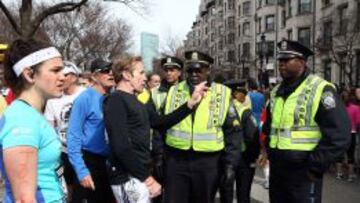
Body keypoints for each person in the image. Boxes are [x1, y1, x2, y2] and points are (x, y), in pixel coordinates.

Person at [103, 56, 207, 203]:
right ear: (126, 75)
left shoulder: (137, 99)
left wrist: (190, 104)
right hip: (127, 176)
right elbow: (121, 147)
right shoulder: (115, 101)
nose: (145, 78)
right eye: (141, 73)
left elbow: (160, 122)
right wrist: (148, 179)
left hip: (139, 174)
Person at [262, 39, 351, 203]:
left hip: (304, 171)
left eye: (287, 60)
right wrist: (269, 151)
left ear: (302, 61)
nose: (281, 64)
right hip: (278, 170)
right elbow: (270, 128)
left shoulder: (321, 89)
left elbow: (339, 135)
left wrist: (314, 166)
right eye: (280, 60)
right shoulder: (276, 92)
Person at [161, 50, 243, 203]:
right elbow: (162, 125)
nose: (194, 74)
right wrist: (160, 157)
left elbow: (234, 133)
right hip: (176, 161)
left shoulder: (223, 93)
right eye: (190, 70)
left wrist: (230, 164)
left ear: (208, 70)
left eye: (199, 70)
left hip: (208, 163)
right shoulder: (173, 91)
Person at [0, 39, 66, 202]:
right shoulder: (22, 121)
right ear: (29, 74)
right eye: (55, 70)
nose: (63, 77)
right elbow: (24, 199)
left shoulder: (32, 115)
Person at [67, 58, 115, 203]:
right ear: (94, 76)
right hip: (90, 163)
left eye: (111, 70)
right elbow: (73, 136)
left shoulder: (114, 98)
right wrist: (82, 171)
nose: (111, 74)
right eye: (106, 71)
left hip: (111, 164)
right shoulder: (84, 99)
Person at [44, 61, 85, 200]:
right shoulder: (52, 99)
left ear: (74, 77)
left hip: (84, 151)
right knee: (67, 189)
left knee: (84, 188)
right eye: (59, 74)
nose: (61, 78)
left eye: (65, 75)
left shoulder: (85, 94)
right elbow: (49, 127)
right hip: (63, 152)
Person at [221, 79, 260, 203]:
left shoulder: (220, 110)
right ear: (235, 94)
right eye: (242, 92)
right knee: (243, 193)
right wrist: (253, 157)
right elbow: (252, 137)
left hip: (225, 156)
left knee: (226, 192)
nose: (245, 95)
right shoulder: (245, 111)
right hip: (244, 158)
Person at [335, 89, 360, 182]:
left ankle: (339, 173)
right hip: (351, 133)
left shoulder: (337, 109)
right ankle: (350, 175)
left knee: (339, 154)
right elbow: (358, 121)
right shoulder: (355, 108)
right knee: (351, 154)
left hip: (340, 133)